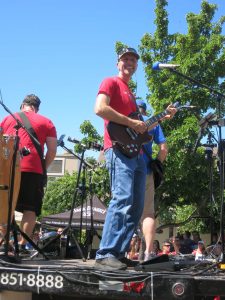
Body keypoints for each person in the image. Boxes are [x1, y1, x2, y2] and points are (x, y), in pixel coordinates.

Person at [94, 47, 148, 270]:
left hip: (136, 154)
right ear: (118, 63)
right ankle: (105, 253)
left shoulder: (131, 93)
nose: (130, 63)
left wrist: (163, 115)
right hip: (117, 150)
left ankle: (119, 252)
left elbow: (138, 128)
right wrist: (131, 122)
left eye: (133, 60)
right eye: (125, 59)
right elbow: (100, 109)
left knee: (136, 206)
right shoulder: (110, 82)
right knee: (122, 199)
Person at [0, 94, 57, 253]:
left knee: (5, 205)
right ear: (37, 108)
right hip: (33, 169)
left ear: (22, 105)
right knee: (30, 208)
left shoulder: (7, 119)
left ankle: (3, 243)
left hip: (8, 168)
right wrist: (43, 167)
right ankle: (23, 244)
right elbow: (52, 151)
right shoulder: (47, 122)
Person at [136, 99, 168, 262]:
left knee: (124, 210)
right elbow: (163, 150)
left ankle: (117, 253)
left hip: (128, 168)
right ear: (145, 111)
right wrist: (157, 163)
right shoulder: (154, 123)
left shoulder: (126, 120)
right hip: (147, 170)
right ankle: (148, 253)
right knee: (148, 214)